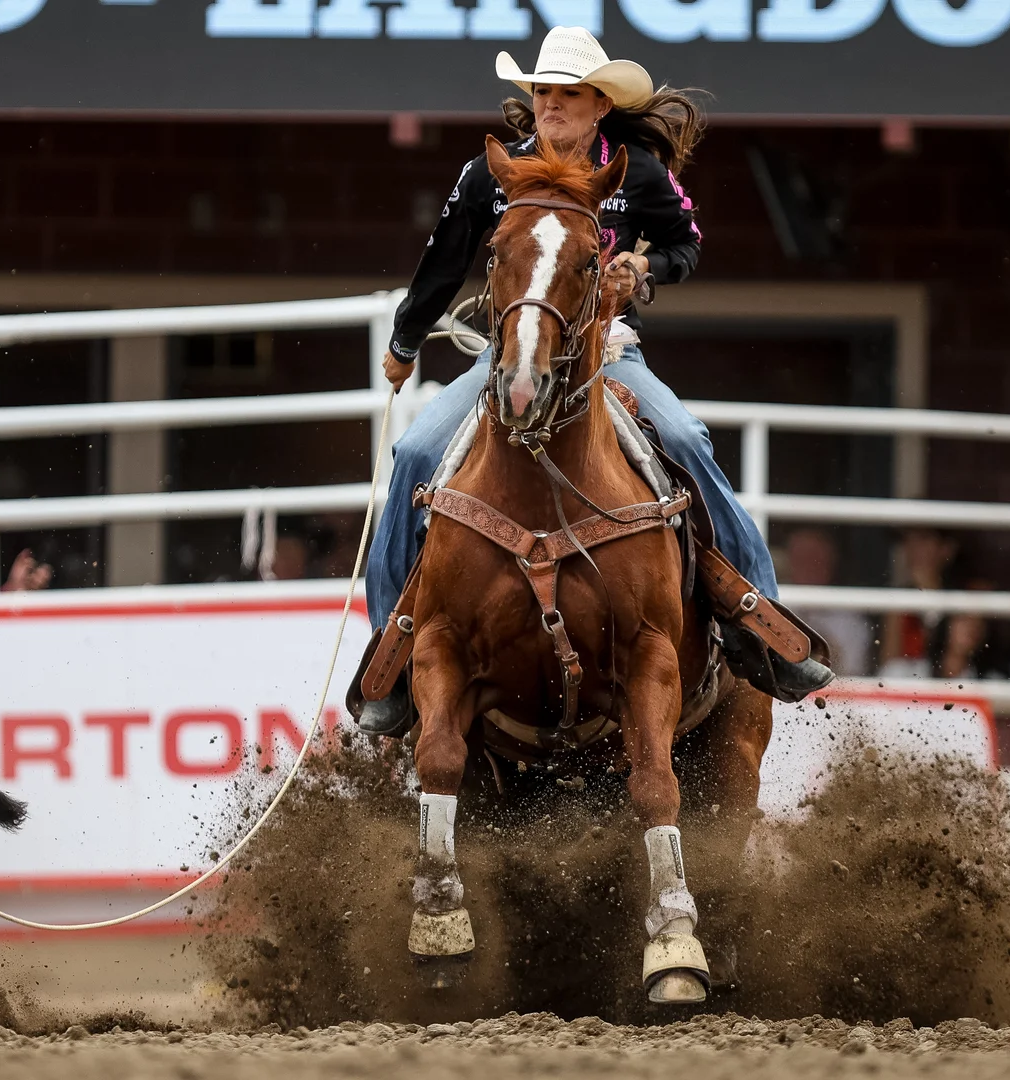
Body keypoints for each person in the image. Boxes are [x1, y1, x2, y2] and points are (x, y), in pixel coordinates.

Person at [356, 26, 833, 735]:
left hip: (608, 350)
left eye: (568, 93)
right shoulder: (489, 174)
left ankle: (755, 618)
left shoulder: (637, 174)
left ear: (601, 103)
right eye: (542, 91)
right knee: (417, 451)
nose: (551, 103)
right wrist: (404, 339)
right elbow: (444, 261)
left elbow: (685, 243)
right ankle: (393, 650)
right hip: (509, 355)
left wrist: (644, 269)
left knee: (685, 437)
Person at [784, 528, 872, 677]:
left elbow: (852, 678)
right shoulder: (773, 604)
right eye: (801, 559)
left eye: (815, 559)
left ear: (831, 563)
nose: (808, 567)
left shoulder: (852, 619)